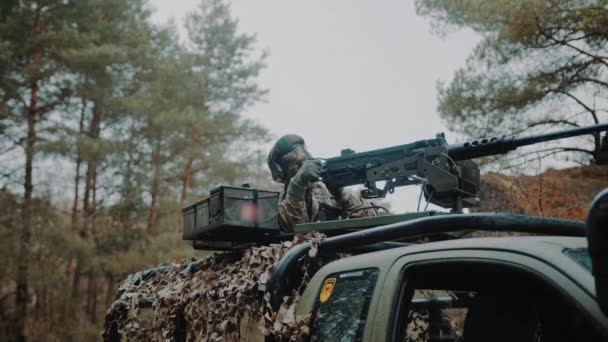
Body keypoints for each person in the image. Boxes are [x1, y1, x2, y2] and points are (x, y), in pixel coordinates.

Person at [267, 134, 378, 232]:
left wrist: (341, 194)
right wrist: (297, 185)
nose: (305, 168)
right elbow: (294, 230)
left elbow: (371, 221)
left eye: (307, 161)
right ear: (282, 173)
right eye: (297, 164)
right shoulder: (277, 204)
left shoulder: (327, 191)